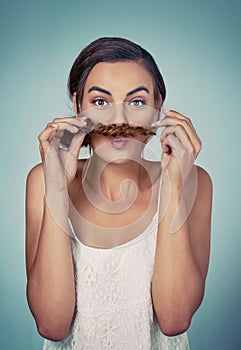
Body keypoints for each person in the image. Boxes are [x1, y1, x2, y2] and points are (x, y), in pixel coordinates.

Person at [25, 37, 212, 349]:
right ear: (76, 105)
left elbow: (174, 319)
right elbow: (52, 325)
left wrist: (175, 184)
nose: (119, 120)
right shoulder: (43, 180)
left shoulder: (196, 182)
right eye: (100, 102)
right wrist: (57, 188)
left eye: (136, 102)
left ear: (159, 107)